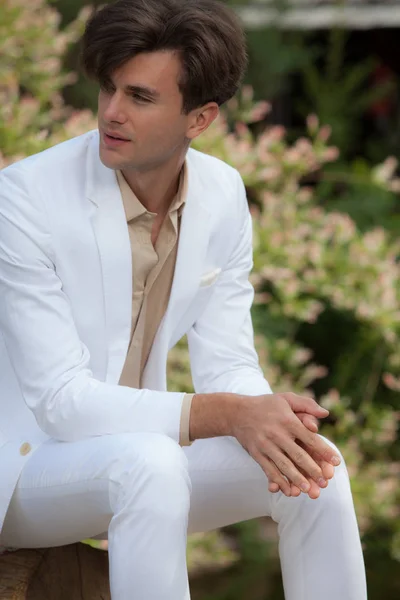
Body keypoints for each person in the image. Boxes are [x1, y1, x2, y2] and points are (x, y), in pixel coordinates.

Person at [0, 1, 367, 598]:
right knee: (153, 464)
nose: (112, 113)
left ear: (200, 118)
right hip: (22, 469)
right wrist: (226, 415)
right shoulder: (24, 198)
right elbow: (61, 403)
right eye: (110, 89)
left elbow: (228, 364)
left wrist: (267, 420)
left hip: (137, 462)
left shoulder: (221, 194)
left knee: (316, 465)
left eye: (141, 97)